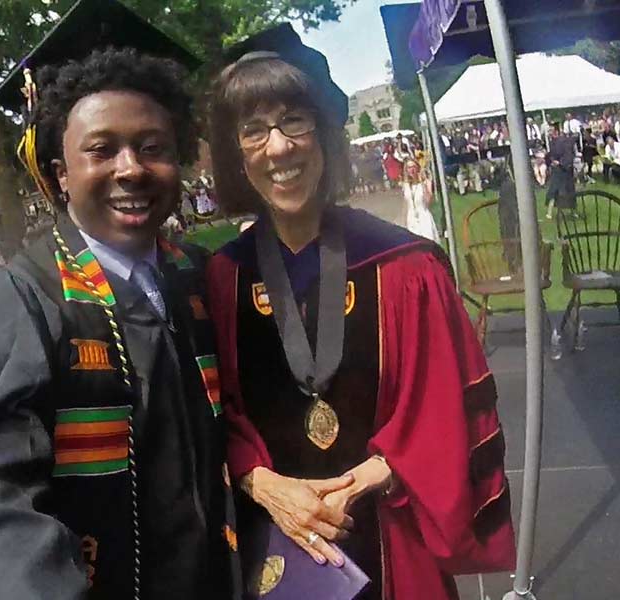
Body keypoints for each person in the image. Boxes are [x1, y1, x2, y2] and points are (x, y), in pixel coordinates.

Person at [0, 4, 238, 599]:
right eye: (101, 150)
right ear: (61, 174)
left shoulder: (198, 279)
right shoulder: (21, 302)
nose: (131, 169)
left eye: (152, 146)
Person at [207, 24, 515, 600]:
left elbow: (447, 406)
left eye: (294, 121)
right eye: (253, 130)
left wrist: (362, 479)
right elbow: (209, 416)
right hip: (273, 552)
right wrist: (265, 483)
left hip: (392, 534)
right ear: (236, 154)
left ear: (323, 132)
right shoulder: (221, 280)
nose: (278, 148)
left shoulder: (405, 267)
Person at [401, 159, 440, 243]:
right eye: (408, 167)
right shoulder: (405, 185)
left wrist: (423, 184)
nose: (411, 170)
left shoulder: (426, 183)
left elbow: (428, 201)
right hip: (411, 219)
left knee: (429, 243)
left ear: (418, 168)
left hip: (424, 217)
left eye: (413, 167)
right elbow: (406, 205)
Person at [545, 122, 576, 219]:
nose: (549, 132)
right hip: (557, 171)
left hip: (565, 170)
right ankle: (549, 213)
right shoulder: (552, 142)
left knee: (569, 191)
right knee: (553, 191)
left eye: (550, 130)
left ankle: (573, 212)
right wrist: (550, 160)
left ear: (556, 131)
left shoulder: (564, 141)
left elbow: (568, 154)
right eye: (548, 130)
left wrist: (561, 163)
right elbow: (551, 155)